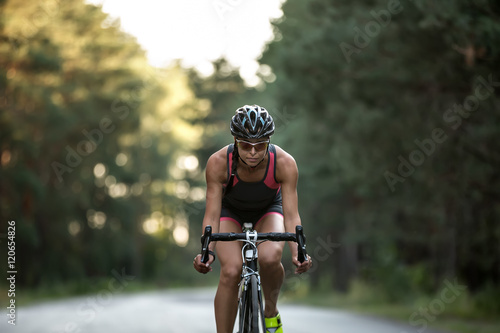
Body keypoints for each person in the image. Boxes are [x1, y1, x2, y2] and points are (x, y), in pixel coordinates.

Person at [193, 105, 313, 333]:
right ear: (235, 141)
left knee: (270, 257)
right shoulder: (218, 163)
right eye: (246, 145)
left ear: (269, 142)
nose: (253, 152)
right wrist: (206, 251)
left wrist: (298, 250)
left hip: (269, 210)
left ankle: (270, 312)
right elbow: (211, 215)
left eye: (261, 146)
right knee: (231, 270)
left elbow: (291, 215)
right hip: (230, 212)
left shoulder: (285, 163)